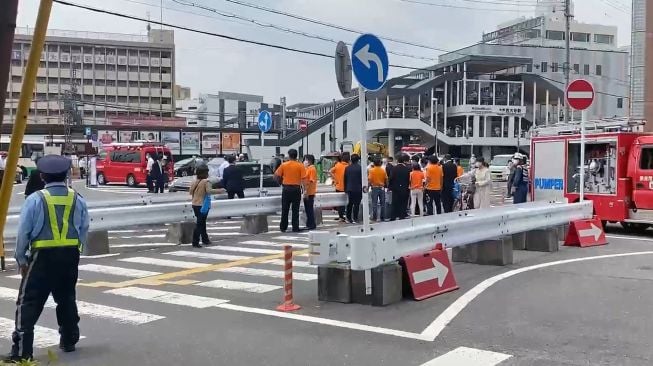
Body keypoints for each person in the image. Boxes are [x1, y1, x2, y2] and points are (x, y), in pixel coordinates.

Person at [5, 155, 89, 363]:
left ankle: (23, 351)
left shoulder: (35, 199)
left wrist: (21, 260)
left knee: (28, 302)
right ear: (67, 175)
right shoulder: (77, 198)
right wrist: (77, 249)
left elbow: (23, 233)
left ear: (42, 176)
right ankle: (69, 339)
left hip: (42, 256)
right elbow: (84, 228)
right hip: (69, 255)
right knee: (66, 297)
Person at [189, 165, 225, 247]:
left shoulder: (194, 181)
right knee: (200, 223)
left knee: (201, 222)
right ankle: (195, 241)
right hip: (203, 205)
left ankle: (205, 239)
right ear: (205, 173)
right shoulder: (206, 182)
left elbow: (190, 192)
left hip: (195, 204)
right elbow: (209, 191)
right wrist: (221, 190)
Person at [275, 149, 306, 232]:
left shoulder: (284, 165)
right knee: (295, 210)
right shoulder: (300, 165)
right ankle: (295, 227)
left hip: (286, 189)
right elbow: (303, 179)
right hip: (296, 189)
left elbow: (276, 174)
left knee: (285, 209)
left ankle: (283, 227)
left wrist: (280, 182)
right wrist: (305, 190)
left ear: (289, 155)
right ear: (296, 156)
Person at [389, 154, 410, 220]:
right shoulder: (407, 169)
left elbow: (391, 178)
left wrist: (390, 187)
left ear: (397, 161)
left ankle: (393, 216)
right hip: (405, 188)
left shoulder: (394, 168)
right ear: (403, 161)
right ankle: (402, 215)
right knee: (403, 202)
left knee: (395, 203)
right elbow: (408, 179)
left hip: (395, 189)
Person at [330, 152, 350, 222]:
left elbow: (330, 171)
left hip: (338, 186)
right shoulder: (348, 166)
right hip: (347, 187)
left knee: (339, 203)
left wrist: (335, 179)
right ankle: (347, 216)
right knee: (347, 202)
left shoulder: (337, 165)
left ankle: (341, 216)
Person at [343, 154, 363, 224]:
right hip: (358, 188)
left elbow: (345, 179)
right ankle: (355, 218)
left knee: (350, 204)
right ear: (358, 160)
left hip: (349, 188)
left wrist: (345, 188)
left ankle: (349, 218)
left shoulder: (347, 168)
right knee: (356, 204)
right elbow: (362, 179)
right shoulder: (360, 168)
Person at [368, 157, 387, 221]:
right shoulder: (383, 170)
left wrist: (369, 186)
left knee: (374, 204)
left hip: (374, 188)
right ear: (380, 163)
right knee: (383, 204)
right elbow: (386, 179)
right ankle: (382, 217)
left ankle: (375, 217)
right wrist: (386, 185)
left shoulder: (371, 170)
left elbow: (370, 179)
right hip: (382, 188)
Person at [303, 154, 318, 230]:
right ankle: (309, 224)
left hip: (309, 192)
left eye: (305, 160)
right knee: (308, 209)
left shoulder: (311, 169)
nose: (304, 161)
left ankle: (311, 224)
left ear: (309, 161)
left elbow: (311, 180)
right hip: (308, 191)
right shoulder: (308, 168)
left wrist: (306, 191)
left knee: (309, 209)